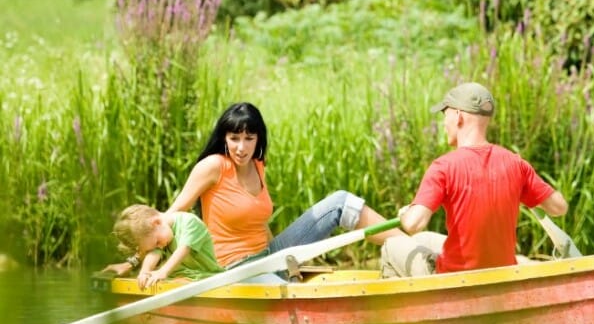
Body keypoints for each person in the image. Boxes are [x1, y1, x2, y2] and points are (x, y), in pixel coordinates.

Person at [105, 102, 402, 276]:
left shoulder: (259, 167)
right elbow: (169, 218)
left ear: (259, 139)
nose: (241, 147)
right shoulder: (213, 166)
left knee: (340, 202)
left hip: (268, 256)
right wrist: (133, 263)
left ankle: (415, 247)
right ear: (224, 138)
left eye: (249, 138)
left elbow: (261, 223)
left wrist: (287, 262)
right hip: (236, 271)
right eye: (234, 138)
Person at [380, 82, 569, 277]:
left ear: (458, 117)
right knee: (423, 238)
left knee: (390, 246)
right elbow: (559, 207)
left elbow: (413, 224)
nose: (444, 125)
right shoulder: (516, 164)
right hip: (502, 275)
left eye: (445, 116)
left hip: (456, 279)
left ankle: (411, 307)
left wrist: (405, 214)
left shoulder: (443, 167)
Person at [111, 204, 222, 289]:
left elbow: (184, 249)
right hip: (179, 280)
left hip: (207, 279)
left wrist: (163, 271)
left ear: (157, 223)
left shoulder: (190, 223)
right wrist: (145, 271)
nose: (160, 245)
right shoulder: (161, 233)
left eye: (157, 242)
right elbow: (154, 252)